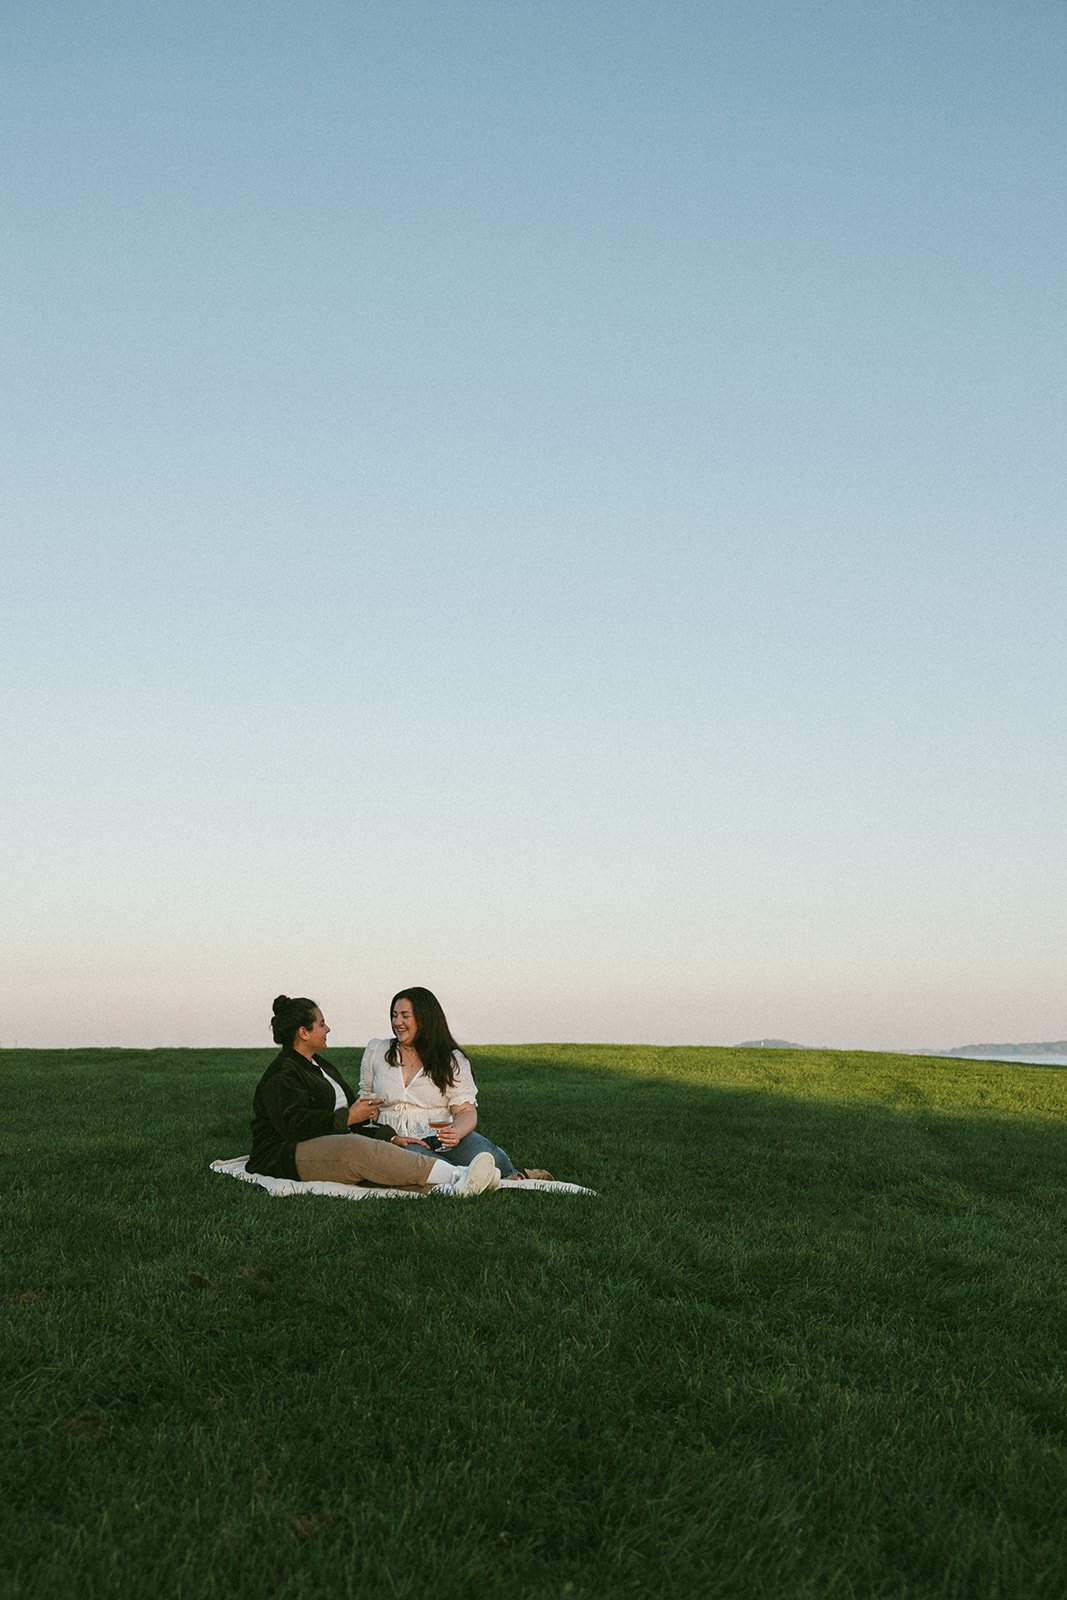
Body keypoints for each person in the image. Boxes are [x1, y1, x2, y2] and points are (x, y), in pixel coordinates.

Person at [247, 995, 500, 1196]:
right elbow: (294, 1126)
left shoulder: (319, 1066)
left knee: (377, 1160)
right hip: (284, 1155)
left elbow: (352, 1119)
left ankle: (452, 1189)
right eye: (321, 1024)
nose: (328, 1028)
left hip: (329, 1142)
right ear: (303, 1032)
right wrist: (348, 1118)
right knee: (356, 1148)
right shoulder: (282, 1074)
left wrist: (389, 1136)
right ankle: (458, 1176)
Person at [353, 987, 552, 1181]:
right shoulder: (377, 1050)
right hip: (397, 1139)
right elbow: (364, 1099)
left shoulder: (451, 1060)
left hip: (442, 1134)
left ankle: (512, 1176)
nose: (397, 1022)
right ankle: (466, 1177)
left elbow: (465, 1111)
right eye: (394, 1015)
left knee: (489, 1157)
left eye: (405, 1016)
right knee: (428, 1164)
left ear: (425, 1018)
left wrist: (456, 1132)